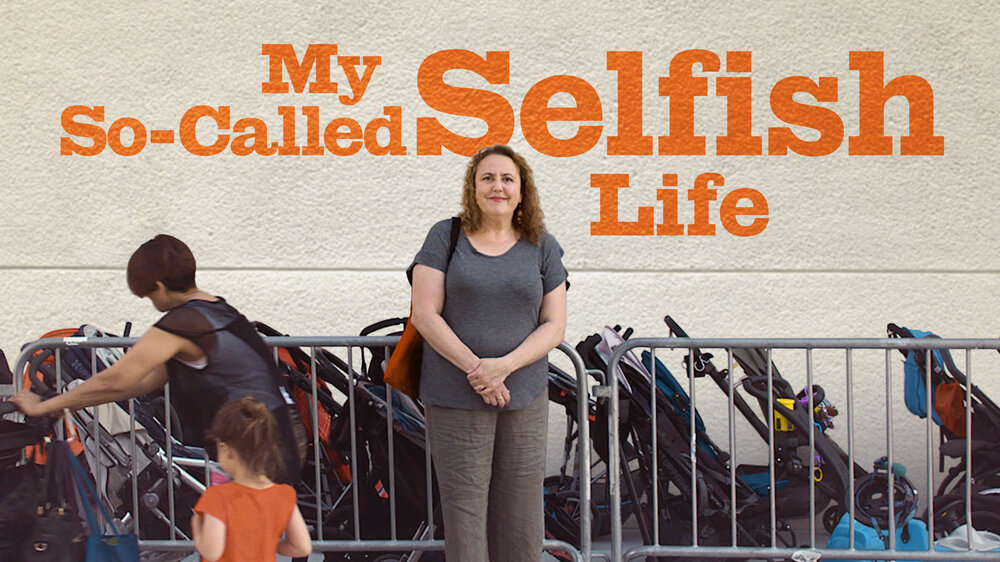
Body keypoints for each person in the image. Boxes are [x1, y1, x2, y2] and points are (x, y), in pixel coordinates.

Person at [11, 234, 303, 484]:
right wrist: (70, 403)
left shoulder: (183, 324)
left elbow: (115, 380)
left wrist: (46, 405)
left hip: (255, 447)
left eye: (150, 296)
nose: (154, 305)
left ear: (160, 286)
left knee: (237, 541)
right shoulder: (218, 310)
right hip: (281, 432)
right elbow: (136, 385)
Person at [408, 144, 568, 561]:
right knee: (464, 512)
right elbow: (425, 314)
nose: (498, 186)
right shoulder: (446, 236)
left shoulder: (542, 246)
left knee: (521, 514)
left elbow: (554, 324)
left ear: (521, 190)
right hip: (454, 395)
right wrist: (478, 370)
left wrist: (504, 367)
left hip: (524, 396)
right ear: (473, 188)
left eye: (507, 178)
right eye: (488, 178)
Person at [191, 396, 311, 562]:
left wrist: (196, 527)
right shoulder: (284, 495)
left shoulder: (218, 497)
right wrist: (267, 544)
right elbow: (302, 547)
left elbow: (212, 552)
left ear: (226, 449)